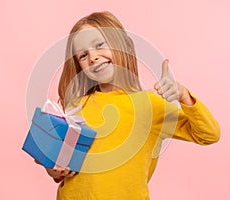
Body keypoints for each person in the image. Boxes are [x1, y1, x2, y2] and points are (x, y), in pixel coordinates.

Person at [35, 11, 220, 199]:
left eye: (100, 45)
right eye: (83, 55)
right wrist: (54, 171)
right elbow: (58, 169)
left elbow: (208, 134)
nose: (93, 57)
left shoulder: (151, 106)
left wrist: (183, 95)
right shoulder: (75, 107)